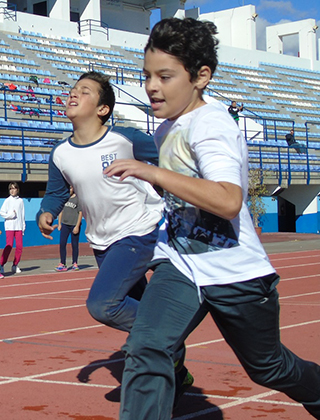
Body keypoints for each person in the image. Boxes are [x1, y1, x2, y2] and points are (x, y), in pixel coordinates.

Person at [104, 18, 320, 419]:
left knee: (268, 367)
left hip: (233, 270)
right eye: (147, 75)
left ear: (201, 76)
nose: (151, 86)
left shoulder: (211, 123)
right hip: (181, 264)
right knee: (146, 348)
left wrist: (153, 173)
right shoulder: (167, 127)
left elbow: (228, 200)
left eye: (165, 76)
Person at [36, 70, 192, 402]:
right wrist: (46, 212)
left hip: (140, 230)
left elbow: (171, 161)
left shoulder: (126, 139)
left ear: (104, 108)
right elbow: (56, 192)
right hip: (103, 241)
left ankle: (166, 336)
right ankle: (176, 370)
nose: (74, 94)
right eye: (73, 89)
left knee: (104, 305)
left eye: (85, 91)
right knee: (142, 303)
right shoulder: (60, 153)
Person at [0, 182, 25, 274]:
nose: (12, 190)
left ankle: (15, 265)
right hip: (9, 227)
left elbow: (22, 215)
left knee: (19, 247)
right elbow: (1, 213)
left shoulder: (20, 201)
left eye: (14, 188)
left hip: (18, 227)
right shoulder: (7, 200)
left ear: (17, 189)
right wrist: (10, 215)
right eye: (11, 189)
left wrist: (23, 226)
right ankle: (1, 265)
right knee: (9, 246)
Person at [55, 185, 82, 272]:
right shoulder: (64, 198)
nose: (69, 190)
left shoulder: (77, 199)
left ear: (73, 188)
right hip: (65, 225)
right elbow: (61, 211)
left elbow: (80, 213)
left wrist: (77, 226)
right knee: (62, 243)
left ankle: (75, 262)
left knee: (74, 245)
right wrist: (59, 223)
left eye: (70, 188)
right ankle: (63, 263)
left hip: (74, 225)